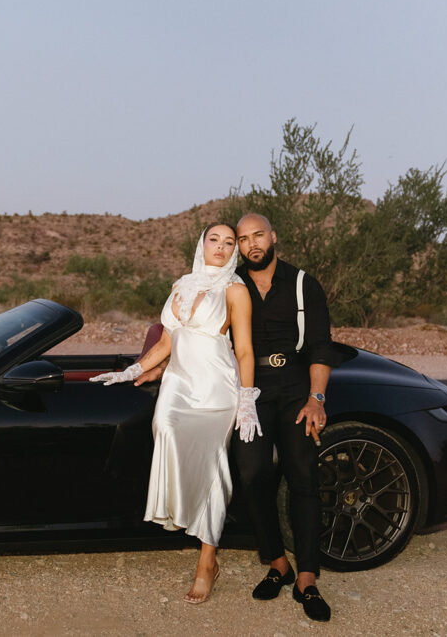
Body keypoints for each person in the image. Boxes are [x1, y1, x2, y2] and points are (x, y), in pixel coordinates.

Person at [91, 223, 259, 604]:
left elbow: (245, 349)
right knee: (164, 427)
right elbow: (168, 340)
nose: (220, 247)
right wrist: (131, 370)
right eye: (213, 239)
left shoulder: (236, 290)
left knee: (214, 466)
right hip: (179, 385)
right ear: (202, 244)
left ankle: (207, 561)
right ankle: (182, 510)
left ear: (234, 251)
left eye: (228, 242)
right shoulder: (180, 285)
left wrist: (247, 401)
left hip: (217, 388)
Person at [230, 212, 342, 622]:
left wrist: (316, 399)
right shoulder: (233, 284)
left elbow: (320, 347)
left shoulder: (302, 284)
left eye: (258, 236)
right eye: (243, 240)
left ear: (273, 237)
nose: (251, 245)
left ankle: (307, 579)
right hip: (250, 388)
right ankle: (278, 564)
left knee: (303, 477)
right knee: (252, 474)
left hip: (295, 385)